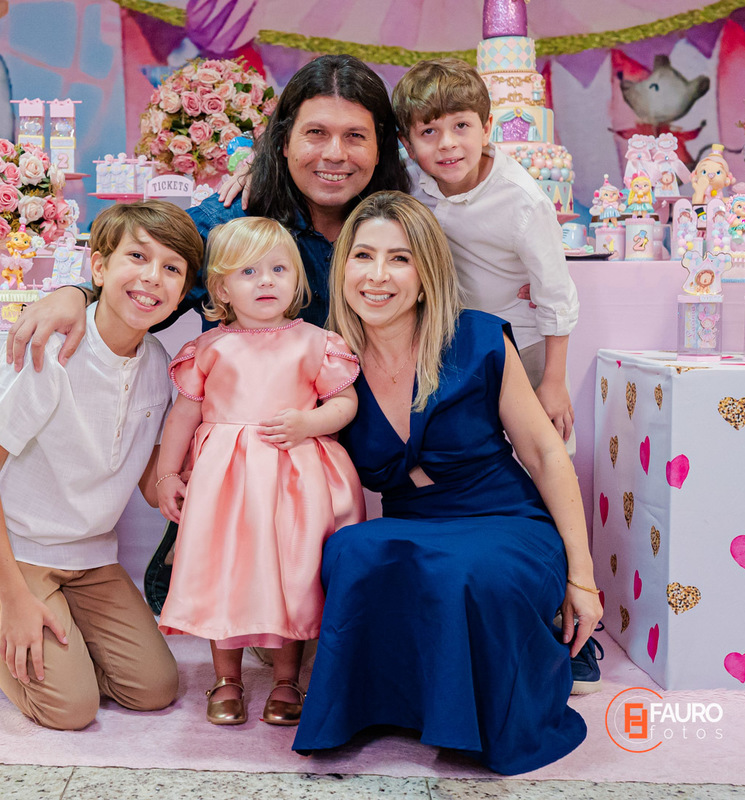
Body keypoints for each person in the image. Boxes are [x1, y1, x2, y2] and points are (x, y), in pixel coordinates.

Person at [292, 191, 601, 773]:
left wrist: (582, 579)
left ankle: (526, 670)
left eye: (399, 259)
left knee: (466, 570)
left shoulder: (477, 337)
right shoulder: (329, 359)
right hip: (415, 524)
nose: (377, 275)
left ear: (426, 274)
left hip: (506, 520)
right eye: (363, 256)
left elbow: (544, 453)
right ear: (343, 268)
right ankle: (373, 709)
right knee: (352, 550)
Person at [0, 201, 204, 730]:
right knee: (68, 707)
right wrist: (13, 599)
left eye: (172, 268)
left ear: (183, 292)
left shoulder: (158, 362)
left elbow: (146, 477)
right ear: (99, 267)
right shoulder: (52, 350)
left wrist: (195, 473)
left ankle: (42, 622)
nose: (153, 277)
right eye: (137, 257)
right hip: (8, 544)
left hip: (88, 555)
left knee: (154, 688)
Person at [4, 53, 411, 372]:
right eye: (316, 133)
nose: (335, 154)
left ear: (381, 148)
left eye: (355, 136)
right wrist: (78, 294)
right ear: (284, 142)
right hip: (249, 434)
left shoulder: (404, 225)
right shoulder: (230, 222)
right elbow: (148, 265)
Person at [154, 217, 365, 727]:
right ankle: (226, 678)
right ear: (222, 288)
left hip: (294, 480)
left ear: (297, 280)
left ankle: (287, 679)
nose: (266, 280)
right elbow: (182, 416)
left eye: (278, 269)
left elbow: (345, 403)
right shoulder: (210, 348)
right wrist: (167, 475)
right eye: (248, 271)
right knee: (223, 572)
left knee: (293, 574)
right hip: (225, 486)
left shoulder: (315, 342)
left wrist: (310, 422)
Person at [390, 58, 579, 455]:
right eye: (429, 131)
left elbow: (556, 294)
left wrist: (554, 381)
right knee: (471, 459)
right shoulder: (411, 184)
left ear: (487, 127)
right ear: (407, 143)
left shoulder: (522, 201)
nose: (447, 143)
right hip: (451, 346)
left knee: (543, 453)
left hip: (522, 344)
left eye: (461, 125)